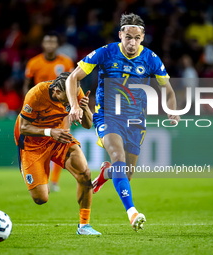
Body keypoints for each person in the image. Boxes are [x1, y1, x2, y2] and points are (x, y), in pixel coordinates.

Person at [66, 13, 180, 232]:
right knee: (117, 156)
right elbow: (73, 78)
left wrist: (172, 110)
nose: (132, 42)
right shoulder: (105, 52)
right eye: (128, 37)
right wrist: (74, 106)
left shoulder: (151, 59)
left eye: (137, 38)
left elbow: (168, 90)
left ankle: (106, 173)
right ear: (120, 34)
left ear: (143, 37)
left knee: (125, 173)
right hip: (108, 115)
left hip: (136, 120)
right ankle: (133, 212)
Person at [14, 72, 100, 235]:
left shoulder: (74, 91)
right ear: (56, 91)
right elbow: (23, 128)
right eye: (68, 100)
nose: (70, 103)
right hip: (33, 143)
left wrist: (85, 109)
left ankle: (84, 226)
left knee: (85, 173)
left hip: (59, 136)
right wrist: (49, 132)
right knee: (41, 199)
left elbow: (88, 125)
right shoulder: (36, 93)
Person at [24, 31, 74, 192]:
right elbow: (27, 84)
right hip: (40, 110)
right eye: (47, 42)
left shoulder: (66, 62)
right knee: (42, 141)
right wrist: (26, 103)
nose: (50, 45)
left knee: (64, 138)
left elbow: (73, 84)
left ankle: (54, 181)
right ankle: (41, 177)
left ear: (57, 45)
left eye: (53, 42)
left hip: (61, 109)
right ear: (43, 45)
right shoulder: (34, 63)